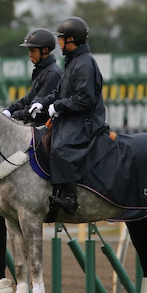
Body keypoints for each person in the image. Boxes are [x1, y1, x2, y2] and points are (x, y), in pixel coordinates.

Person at [27, 16, 115, 217]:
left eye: (61, 39)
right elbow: (59, 93)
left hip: (86, 121)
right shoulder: (73, 62)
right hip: (72, 117)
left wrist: (58, 106)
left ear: (71, 40)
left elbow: (85, 99)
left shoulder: (85, 64)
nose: (58, 43)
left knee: (61, 146)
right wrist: (44, 102)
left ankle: (70, 197)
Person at [2, 28, 63, 123]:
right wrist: (9, 110)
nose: (30, 54)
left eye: (33, 51)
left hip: (46, 127)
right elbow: (29, 98)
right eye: (29, 51)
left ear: (45, 50)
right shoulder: (40, 71)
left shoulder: (52, 73)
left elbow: (35, 108)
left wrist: (15, 115)